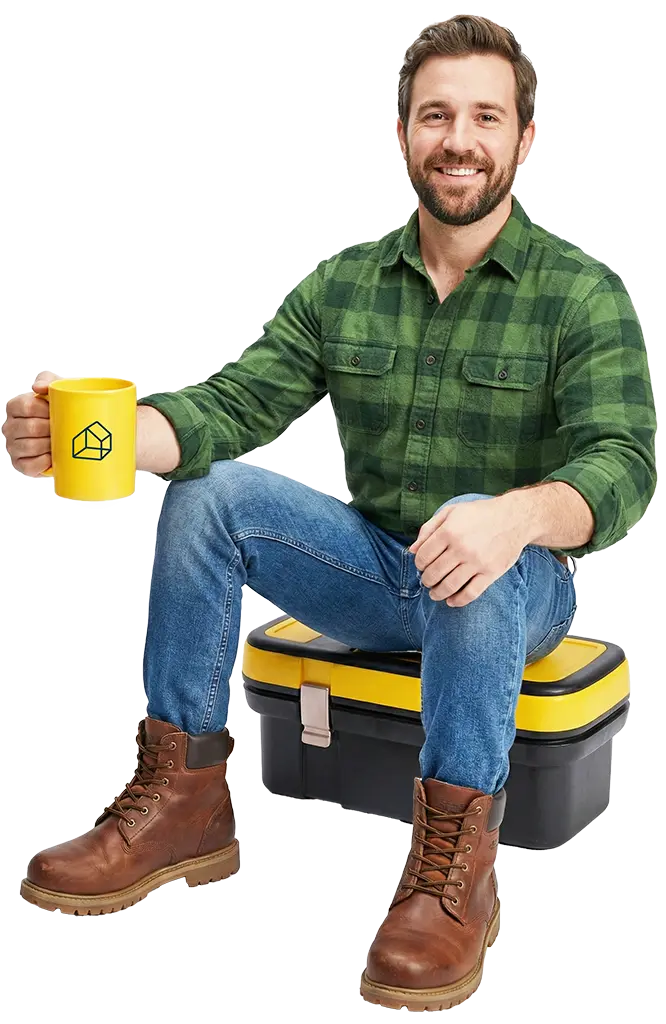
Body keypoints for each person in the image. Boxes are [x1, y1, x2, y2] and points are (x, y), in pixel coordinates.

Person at [4, 14, 657, 1014]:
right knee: (210, 494)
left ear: (525, 139)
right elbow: (229, 408)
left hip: (518, 585)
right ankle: (185, 804)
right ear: (402, 132)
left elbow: (623, 465)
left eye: (486, 116)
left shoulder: (582, 295)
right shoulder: (345, 284)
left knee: (472, 538)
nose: (460, 139)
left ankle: (453, 873)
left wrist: (515, 517)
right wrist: (103, 435)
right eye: (436, 115)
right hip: (377, 574)